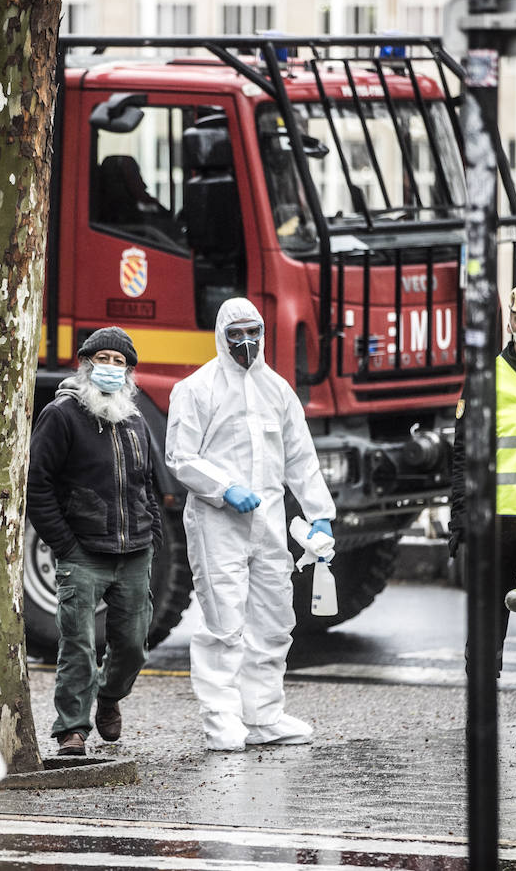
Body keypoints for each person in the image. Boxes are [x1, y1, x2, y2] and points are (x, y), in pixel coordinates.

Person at [165, 297, 336, 752]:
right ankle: (222, 720)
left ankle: (263, 715)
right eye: (236, 333)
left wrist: (320, 513)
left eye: (253, 332)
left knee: (274, 619)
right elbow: (180, 456)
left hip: (270, 524)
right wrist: (222, 488)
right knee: (223, 622)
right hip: (217, 522)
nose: (246, 342)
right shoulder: (197, 388)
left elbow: (301, 458)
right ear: (221, 335)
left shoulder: (277, 390)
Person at [27, 327, 161, 757]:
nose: (110, 368)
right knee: (78, 645)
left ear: (129, 373)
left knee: (133, 646)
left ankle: (109, 697)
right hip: (83, 552)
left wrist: (152, 534)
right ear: (85, 365)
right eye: (102, 360)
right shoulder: (62, 415)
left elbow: (148, 485)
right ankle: (72, 729)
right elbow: (37, 484)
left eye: (119, 363)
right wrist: (65, 545)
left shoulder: (135, 419)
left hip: (135, 552)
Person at [448, 285, 516, 754]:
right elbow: (463, 454)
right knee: (488, 622)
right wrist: (459, 519)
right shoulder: (485, 377)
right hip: (496, 522)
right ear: (509, 323)